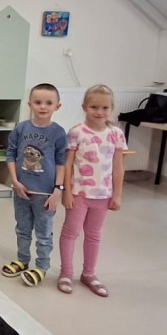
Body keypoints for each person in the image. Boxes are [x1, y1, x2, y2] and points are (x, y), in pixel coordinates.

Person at [58, 84, 126, 298]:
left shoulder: (116, 134)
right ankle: (66, 273)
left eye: (105, 108)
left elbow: (118, 166)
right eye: (94, 107)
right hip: (79, 193)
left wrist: (117, 194)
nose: (99, 112)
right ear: (84, 107)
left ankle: (89, 274)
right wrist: (66, 191)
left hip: (103, 194)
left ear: (111, 109)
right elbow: (68, 164)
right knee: (71, 233)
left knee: (94, 235)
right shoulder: (76, 132)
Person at [2, 83, 68, 287]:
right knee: (22, 229)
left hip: (45, 194)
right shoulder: (21, 128)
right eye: (38, 102)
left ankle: (41, 266)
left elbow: (62, 162)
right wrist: (15, 181)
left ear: (57, 106)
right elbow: (11, 154)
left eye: (48, 103)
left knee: (43, 233)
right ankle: (23, 260)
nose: (43, 107)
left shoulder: (58, 132)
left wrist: (58, 190)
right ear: (30, 104)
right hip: (22, 190)